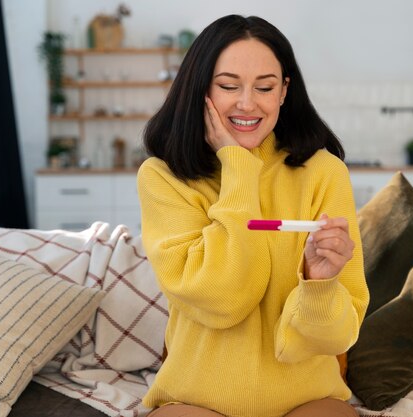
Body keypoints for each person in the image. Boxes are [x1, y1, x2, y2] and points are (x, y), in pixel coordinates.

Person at [137, 14, 369, 417]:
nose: (247, 103)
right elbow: (223, 300)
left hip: (308, 398)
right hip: (196, 401)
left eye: (264, 87)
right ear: (201, 90)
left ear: (283, 92)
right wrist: (238, 166)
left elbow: (337, 338)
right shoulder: (163, 177)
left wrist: (320, 283)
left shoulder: (324, 173)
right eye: (228, 86)